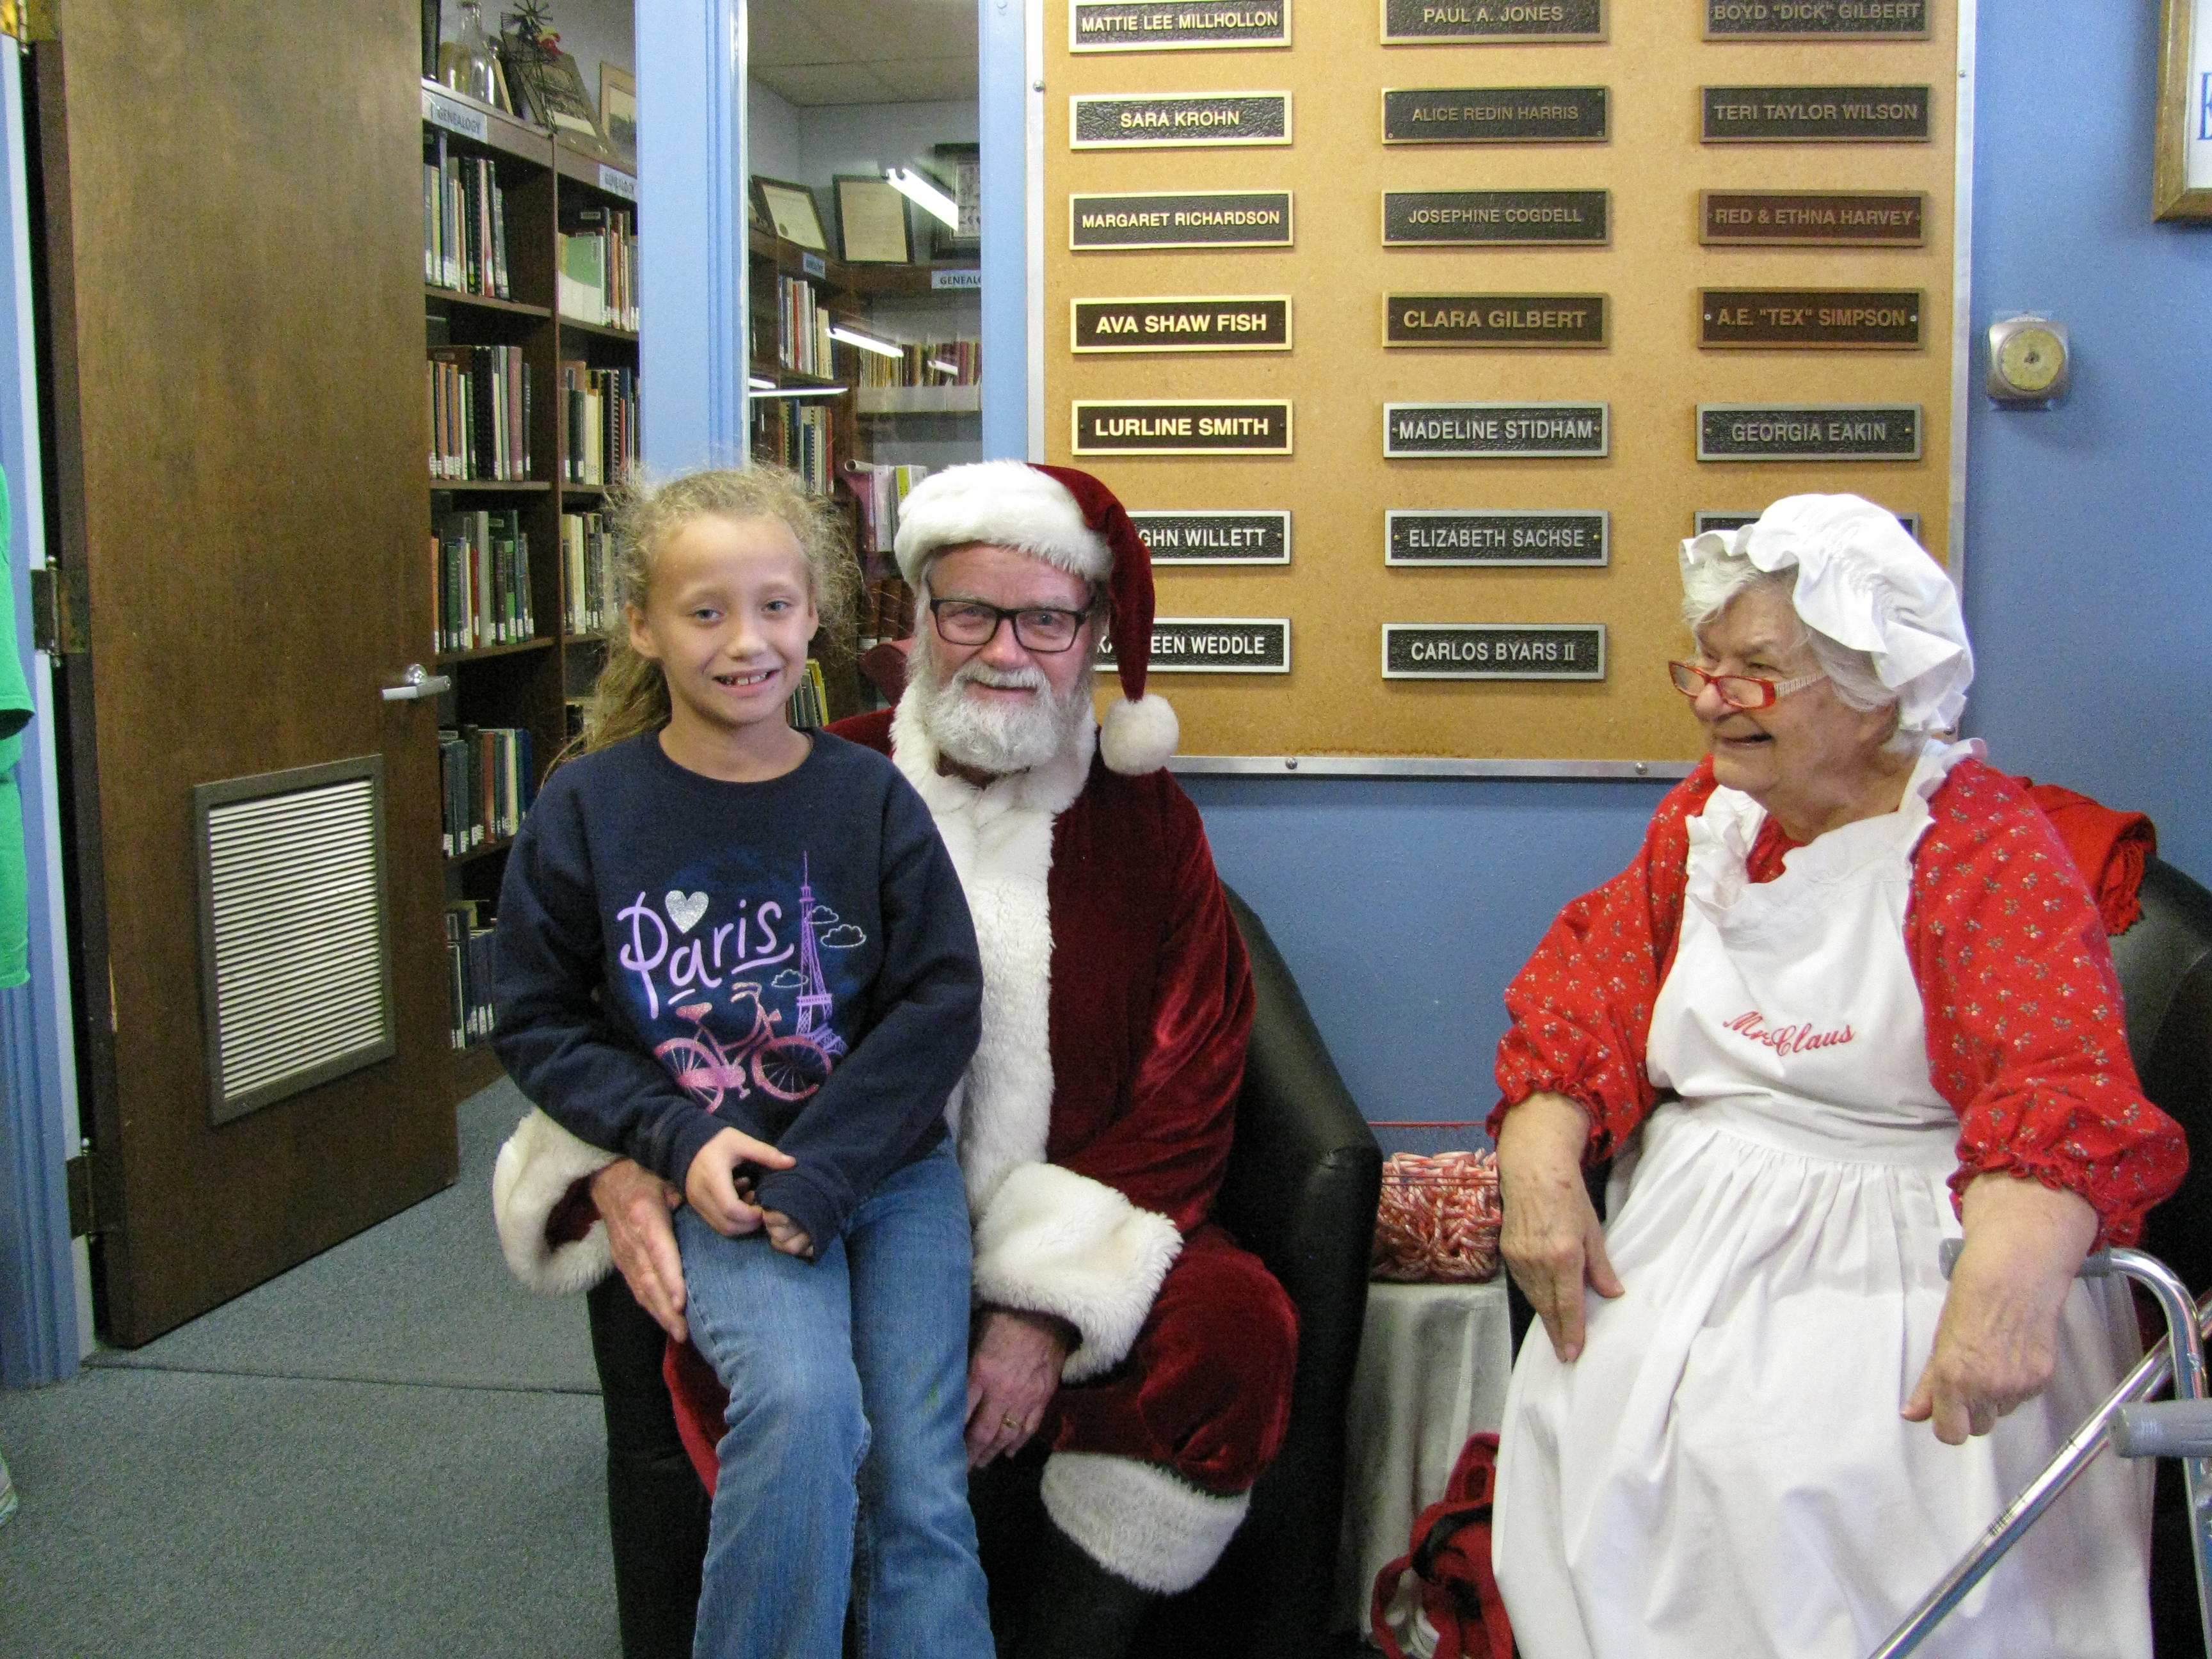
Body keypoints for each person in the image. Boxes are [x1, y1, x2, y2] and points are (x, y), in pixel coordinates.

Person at [495, 459, 1298, 1659]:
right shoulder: (819, 764)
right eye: (969, 612)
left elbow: (1177, 1088)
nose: (1005, 651)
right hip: (762, 1182)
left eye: (1046, 621)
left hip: (953, 1202)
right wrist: (627, 1157)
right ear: (916, 618)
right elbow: (584, 1010)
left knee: (1220, 1340)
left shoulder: (1143, 825)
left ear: (1094, 634)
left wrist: (1043, 1302)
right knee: (802, 1401)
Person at [1487, 493, 2189, 1658]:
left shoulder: (1981, 850)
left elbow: (2059, 1084)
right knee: (1596, 1471)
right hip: (1692, 1227)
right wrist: (1540, 1161)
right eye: (1706, 665)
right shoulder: (1709, 822)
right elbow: (1585, 1000)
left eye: (1757, 672)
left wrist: (2011, 1283)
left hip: (1906, 1250)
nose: (1712, 698)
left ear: (1877, 692)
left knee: (1821, 1506)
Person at [489, 465, 995, 1659]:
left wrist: (830, 1173)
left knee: (922, 1483)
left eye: (774, 606)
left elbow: (939, 1001)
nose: (745, 642)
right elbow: (537, 1016)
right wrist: (676, 1139)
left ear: (815, 615)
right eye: (704, 612)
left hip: (887, 1176)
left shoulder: (868, 798)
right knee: (802, 1404)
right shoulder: (587, 810)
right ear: (642, 625)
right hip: (719, 1179)